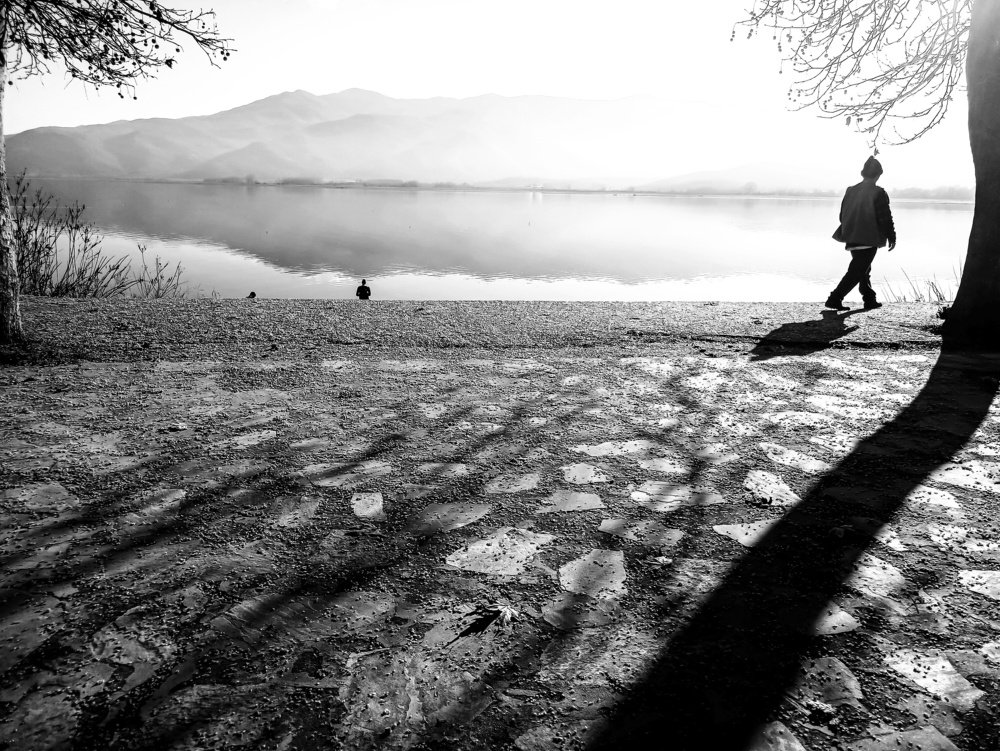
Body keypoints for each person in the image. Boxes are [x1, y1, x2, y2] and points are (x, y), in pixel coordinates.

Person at [826, 156, 896, 311]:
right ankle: (834, 298)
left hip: (851, 236)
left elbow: (842, 215)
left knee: (863, 268)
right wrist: (892, 236)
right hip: (869, 237)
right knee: (857, 271)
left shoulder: (850, 190)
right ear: (878, 174)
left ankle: (869, 299)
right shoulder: (879, 192)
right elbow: (885, 217)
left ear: (863, 173)